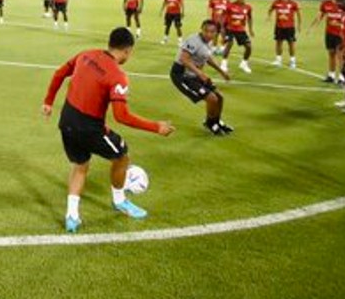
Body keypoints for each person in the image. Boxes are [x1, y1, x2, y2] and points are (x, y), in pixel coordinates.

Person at [42, 27, 175, 228]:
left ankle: (72, 216)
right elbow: (121, 116)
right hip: (89, 128)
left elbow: (59, 73)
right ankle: (120, 200)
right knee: (122, 156)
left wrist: (48, 102)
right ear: (127, 50)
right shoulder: (118, 76)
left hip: (67, 120)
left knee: (80, 165)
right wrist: (156, 127)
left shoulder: (86, 54)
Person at [170, 20, 233, 134]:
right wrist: (200, 73)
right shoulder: (194, 40)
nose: (209, 34)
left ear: (216, 32)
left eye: (212, 32)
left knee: (220, 97)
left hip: (195, 74)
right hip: (182, 75)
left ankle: (216, 121)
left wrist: (222, 72)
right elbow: (184, 59)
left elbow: (208, 59)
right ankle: (210, 123)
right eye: (206, 31)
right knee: (212, 98)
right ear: (201, 29)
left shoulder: (207, 42)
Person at [308, 0, 345, 84]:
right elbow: (319, 16)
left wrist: (342, 26)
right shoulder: (325, 4)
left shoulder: (344, 5)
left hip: (341, 34)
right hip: (329, 33)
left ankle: (342, 77)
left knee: (340, 56)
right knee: (331, 54)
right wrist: (312, 27)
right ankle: (331, 75)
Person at [220, 0, 255, 74]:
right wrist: (222, 28)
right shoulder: (230, 6)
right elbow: (222, 16)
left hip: (241, 30)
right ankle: (223, 63)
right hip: (230, 29)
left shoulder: (248, 7)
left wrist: (250, 29)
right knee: (229, 44)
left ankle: (244, 63)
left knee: (248, 46)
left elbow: (250, 18)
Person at [267, 0, 301, 68]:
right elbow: (270, 9)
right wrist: (269, 17)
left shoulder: (293, 3)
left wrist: (299, 25)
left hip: (290, 27)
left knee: (291, 43)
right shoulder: (276, 2)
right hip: (279, 26)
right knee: (278, 42)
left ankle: (292, 61)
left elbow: (298, 14)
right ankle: (278, 60)